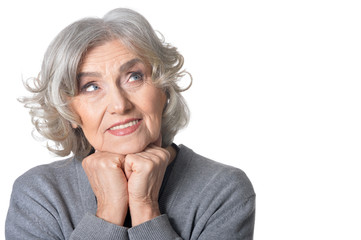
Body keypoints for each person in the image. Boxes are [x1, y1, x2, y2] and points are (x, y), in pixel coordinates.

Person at [6, 8, 255, 240]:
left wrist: (145, 208)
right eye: (91, 87)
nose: (120, 105)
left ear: (164, 88)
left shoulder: (222, 189)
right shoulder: (38, 195)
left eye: (134, 77)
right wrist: (108, 210)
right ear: (69, 112)